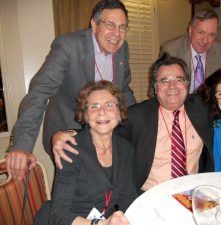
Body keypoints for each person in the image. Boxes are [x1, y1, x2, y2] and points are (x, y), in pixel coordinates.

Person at [52, 54, 221, 193]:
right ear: (154, 88)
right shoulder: (137, 116)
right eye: (164, 81)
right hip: (149, 193)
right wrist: (66, 134)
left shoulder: (202, 107)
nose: (172, 86)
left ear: (187, 84)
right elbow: (101, 126)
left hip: (197, 192)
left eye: (178, 79)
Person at [5, 0, 136, 180]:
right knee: (78, 195)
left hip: (104, 134)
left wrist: (138, 127)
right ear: (94, 24)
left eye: (123, 27)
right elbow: (39, 92)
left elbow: (124, 91)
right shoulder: (69, 46)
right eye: (110, 25)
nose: (117, 34)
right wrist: (21, 146)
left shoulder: (123, 49)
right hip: (67, 134)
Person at [34, 81, 137, 225]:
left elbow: (128, 197)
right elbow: (59, 214)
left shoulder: (126, 149)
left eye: (109, 105)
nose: (101, 111)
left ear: (120, 113)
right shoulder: (70, 149)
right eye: (94, 106)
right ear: (86, 116)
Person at [159, 9, 221, 94]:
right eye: (201, 32)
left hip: (210, 103)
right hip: (180, 104)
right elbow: (158, 86)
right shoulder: (171, 50)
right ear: (190, 31)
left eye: (211, 35)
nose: (205, 41)